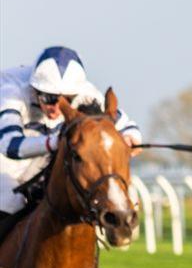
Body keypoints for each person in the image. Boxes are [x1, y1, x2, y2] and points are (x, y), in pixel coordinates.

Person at [0, 46, 143, 218]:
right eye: (49, 98)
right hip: (5, 162)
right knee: (9, 202)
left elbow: (125, 124)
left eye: (67, 100)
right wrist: (54, 142)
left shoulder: (84, 91)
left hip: (41, 159)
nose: (56, 107)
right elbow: (10, 145)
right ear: (35, 89)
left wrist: (130, 137)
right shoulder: (11, 92)